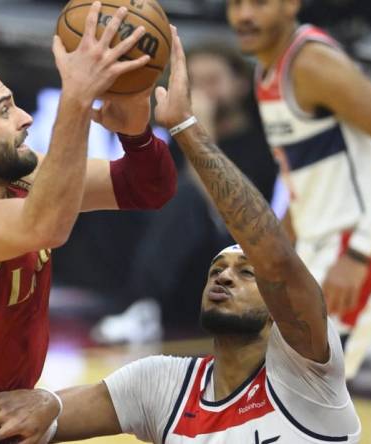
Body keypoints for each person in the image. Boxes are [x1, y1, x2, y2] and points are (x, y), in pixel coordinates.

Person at [0, 27, 361, 444]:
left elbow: (272, 253)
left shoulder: (310, 373)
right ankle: (136, 299)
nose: (223, 276)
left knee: (190, 202)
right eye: (219, 270)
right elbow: (51, 414)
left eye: (246, 274)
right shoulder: (162, 384)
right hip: (182, 260)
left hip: (241, 227)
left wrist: (188, 125)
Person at [0, 3, 177, 442]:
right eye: (6, 110)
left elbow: (147, 187)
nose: (25, 118)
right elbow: (44, 227)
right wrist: (76, 98)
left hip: (9, 428)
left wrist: (135, 131)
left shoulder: (22, 175)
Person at [227, 0, 371, 378]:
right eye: (235, 3)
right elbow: (301, 180)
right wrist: (276, 252)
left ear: (290, 5)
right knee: (282, 387)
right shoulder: (267, 70)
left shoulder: (311, 63)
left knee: (311, 389)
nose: (244, 15)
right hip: (323, 247)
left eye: (259, 3)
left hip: (360, 248)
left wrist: (359, 255)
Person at [91, 41, 278, 344]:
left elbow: (223, 210)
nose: (203, 93)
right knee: (114, 194)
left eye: (213, 82)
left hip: (228, 256)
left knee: (189, 193)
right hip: (177, 259)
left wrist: (199, 131)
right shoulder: (177, 137)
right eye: (195, 83)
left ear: (241, 85)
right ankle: (125, 303)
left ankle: (145, 304)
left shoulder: (259, 143)